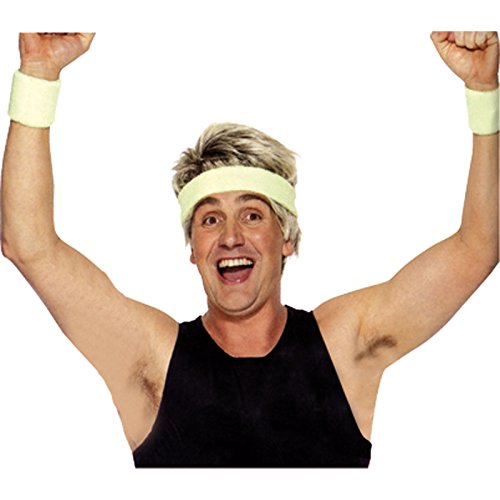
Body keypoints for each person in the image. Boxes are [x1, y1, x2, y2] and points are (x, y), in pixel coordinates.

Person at [1, 31, 498, 468]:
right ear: (193, 249)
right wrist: (39, 74)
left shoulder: (344, 346)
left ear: (287, 239)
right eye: (210, 219)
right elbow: (28, 244)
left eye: (253, 215)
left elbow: (480, 244)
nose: (231, 236)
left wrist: (484, 93)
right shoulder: (151, 360)